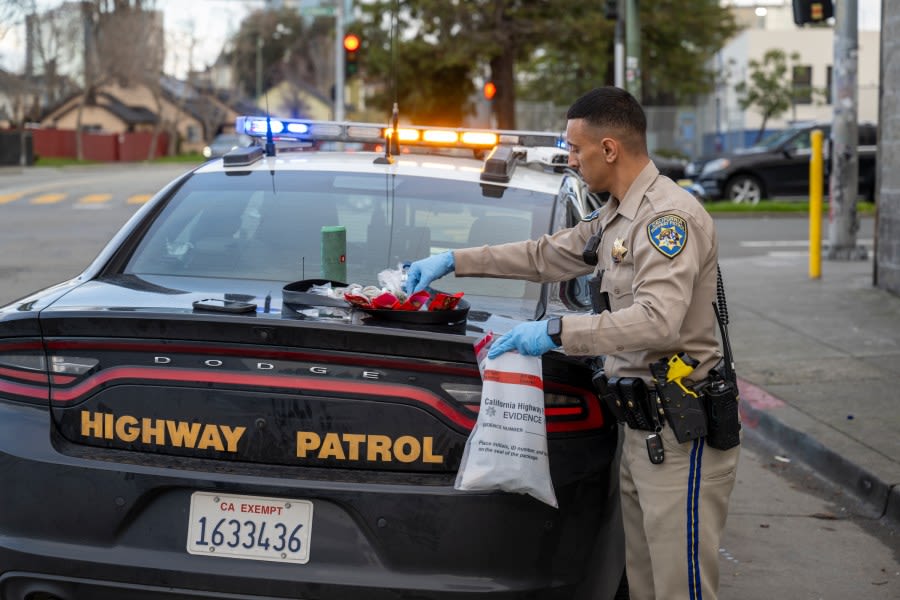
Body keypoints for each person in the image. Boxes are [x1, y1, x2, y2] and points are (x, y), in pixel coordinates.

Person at [405, 86, 740, 600]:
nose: (571, 159)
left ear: (609, 149)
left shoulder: (667, 220)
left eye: (576, 148)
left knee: (681, 588)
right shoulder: (616, 214)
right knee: (646, 585)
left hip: (681, 433)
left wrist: (557, 331)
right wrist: (454, 260)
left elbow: (658, 322)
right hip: (641, 431)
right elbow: (544, 256)